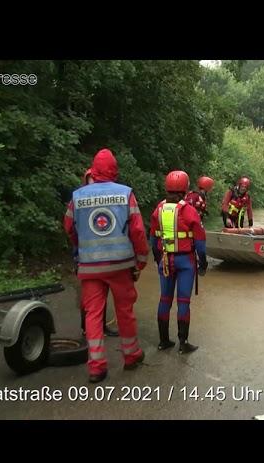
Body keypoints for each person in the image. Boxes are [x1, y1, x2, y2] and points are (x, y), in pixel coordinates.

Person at [64, 148, 149, 383]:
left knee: (93, 314)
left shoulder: (78, 196)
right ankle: (131, 355)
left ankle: (97, 367)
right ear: (114, 170)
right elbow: (138, 231)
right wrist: (141, 261)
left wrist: (79, 249)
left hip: (90, 266)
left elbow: (69, 227)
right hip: (120, 264)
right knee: (125, 311)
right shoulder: (125, 194)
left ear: (93, 168)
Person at [150, 170, 208, 354]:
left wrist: (158, 259)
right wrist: (203, 262)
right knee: (183, 302)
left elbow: (153, 239)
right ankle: (183, 344)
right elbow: (200, 241)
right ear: (185, 188)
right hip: (185, 262)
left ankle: (163, 341)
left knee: (164, 299)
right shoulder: (188, 210)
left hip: (165, 260)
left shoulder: (158, 209)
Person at [75, 168, 118, 337]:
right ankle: (87, 327)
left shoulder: (88, 198)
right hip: (86, 254)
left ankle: (99, 326)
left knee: (101, 293)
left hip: (99, 253)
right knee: (89, 296)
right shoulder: (81, 199)